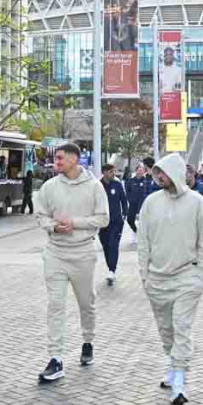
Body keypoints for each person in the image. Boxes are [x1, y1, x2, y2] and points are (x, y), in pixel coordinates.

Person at [138, 153, 203, 405]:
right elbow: (143, 243)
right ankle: (172, 364)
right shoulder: (150, 202)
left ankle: (180, 382)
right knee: (166, 328)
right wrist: (144, 275)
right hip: (157, 279)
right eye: (156, 172)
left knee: (182, 327)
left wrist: (200, 273)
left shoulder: (197, 202)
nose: (159, 176)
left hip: (187, 277)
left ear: (176, 173)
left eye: (164, 172)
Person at [35, 143, 110, 383]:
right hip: (55, 253)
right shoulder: (49, 187)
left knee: (86, 303)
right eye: (55, 158)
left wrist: (74, 223)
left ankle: (88, 341)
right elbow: (40, 215)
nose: (55, 162)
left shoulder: (94, 187)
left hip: (83, 253)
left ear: (74, 160)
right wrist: (53, 226)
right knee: (55, 305)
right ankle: (55, 358)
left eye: (59, 158)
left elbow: (104, 218)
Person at [99, 164, 129, 286]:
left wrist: (124, 214)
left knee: (113, 245)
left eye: (114, 171)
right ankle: (110, 268)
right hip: (102, 223)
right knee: (106, 246)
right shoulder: (98, 186)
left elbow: (123, 199)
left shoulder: (117, 184)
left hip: (116, 222)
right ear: (104, 172)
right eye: (111, 172)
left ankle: (112, 271)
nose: (113, 174)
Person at [125, 164, 151, 247]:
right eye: (138, 170)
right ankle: (136, 232)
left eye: (141, 170)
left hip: (143, 205)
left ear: (144, 171)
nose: (140, 172)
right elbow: (127, 192)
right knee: (130, 220)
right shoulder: (131, 181)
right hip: (133, 205)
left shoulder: (146, 180)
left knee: (143, 222)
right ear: (136, 171)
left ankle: (141, 239)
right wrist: (130, 200)